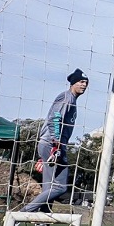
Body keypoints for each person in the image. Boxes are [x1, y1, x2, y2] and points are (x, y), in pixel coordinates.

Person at [23, 68, 87, 213]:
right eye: (81, 82)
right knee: (60, 187)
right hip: (53, 145)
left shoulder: (72, 100)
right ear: (73, 83)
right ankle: (23, 214)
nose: (84, 85)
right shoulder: (67, 97)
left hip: (50, 145)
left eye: (86, 83)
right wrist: (55, 145)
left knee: (49, 188)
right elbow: (55, 118)